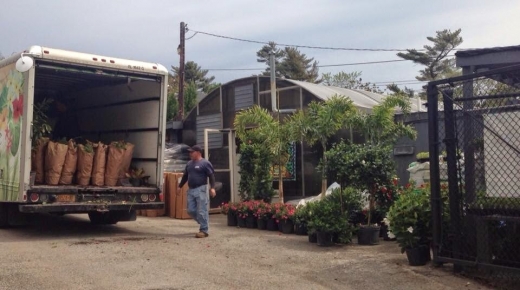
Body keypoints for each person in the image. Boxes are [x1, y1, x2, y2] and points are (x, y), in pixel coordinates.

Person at [178, 145, 216, 238]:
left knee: (201, 210)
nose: (190, 153)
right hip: (191, 190)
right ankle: (203, 222)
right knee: (190, 210)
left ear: (198, 152)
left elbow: (211, 176)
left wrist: (213, 188)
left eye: (192, 152)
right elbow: (185, 176)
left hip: (201, 189)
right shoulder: (189, 164)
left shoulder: (205, 163)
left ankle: (204, 230)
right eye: (189, 152)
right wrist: (180, 186)